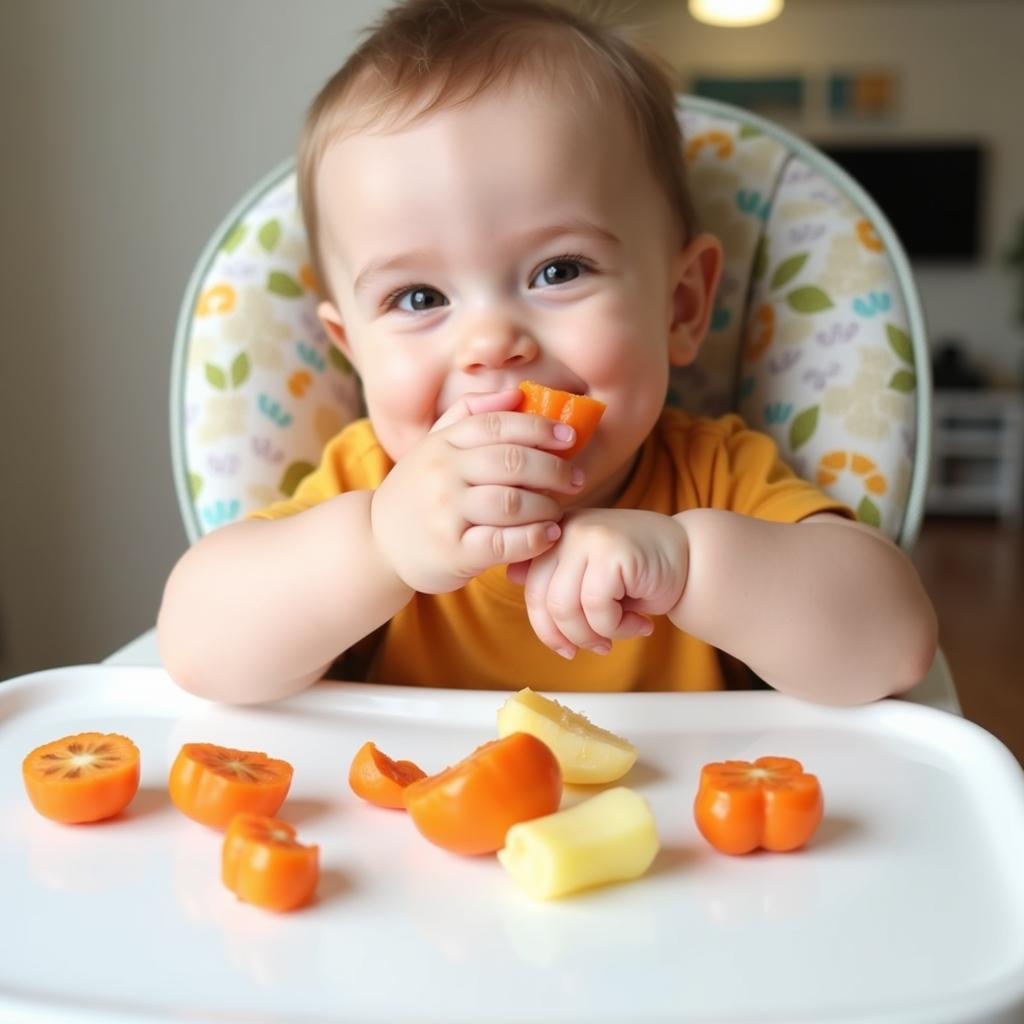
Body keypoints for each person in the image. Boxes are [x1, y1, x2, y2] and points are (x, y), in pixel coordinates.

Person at [157, 0, 937, 706]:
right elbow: (196, 649)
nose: (492, 343)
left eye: (558, 271)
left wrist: (689, 564)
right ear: (352, 351)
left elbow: (893, 647)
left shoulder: (713, 479)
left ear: (681, 305)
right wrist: (381, 547)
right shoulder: (368, 487)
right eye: (419, 298)